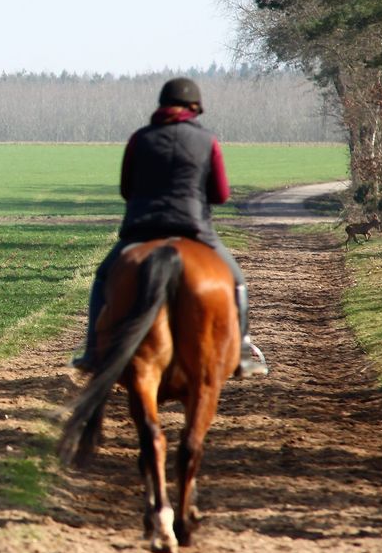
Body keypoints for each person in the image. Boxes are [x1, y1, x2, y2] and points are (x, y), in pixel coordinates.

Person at [72, 77, 268, 378]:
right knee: (237, 281)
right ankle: (242, 352)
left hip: (143, 229)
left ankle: (93, 353)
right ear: (195, 107)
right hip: (194, 228)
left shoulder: (140, 138)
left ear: (162, 105)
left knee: (102, 278)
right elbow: (221, 194)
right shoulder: (208, 140)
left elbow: (126, 189)